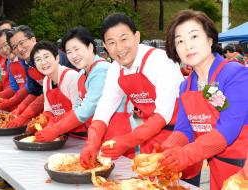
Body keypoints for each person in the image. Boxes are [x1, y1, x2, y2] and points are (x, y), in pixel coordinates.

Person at [159, 10, 248, 189]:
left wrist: (185, 155)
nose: (188, 46)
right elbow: (185, 129)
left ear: (210, 39)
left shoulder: (235, 74)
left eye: (194, 36)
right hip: (216, 166)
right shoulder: (186, 86)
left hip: (243, 170)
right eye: (180, 41)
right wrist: (167, 150)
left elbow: (228, 129)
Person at [80, 12, 183, 164]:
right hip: (148, 135)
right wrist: (92, 142)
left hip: (179, 135)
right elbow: (105, 107)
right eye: (112, 42)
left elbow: (163, 115)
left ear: (137, 37)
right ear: (106, 46)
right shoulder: (115, 68)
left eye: (124, 39)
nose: (119, 47)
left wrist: (127, 141)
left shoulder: (160, 60)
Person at [34, 27, 111, 142]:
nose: (74, 56)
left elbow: (85, 110)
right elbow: (77, 108)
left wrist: (56, 129)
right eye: (69, 52)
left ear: (90, 47)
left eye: (77, 49)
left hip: (116, 135)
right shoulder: (81, 74)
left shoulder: (101, 70)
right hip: (97, 136)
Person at [29, 41, 80, 134]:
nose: (43, 62)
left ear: (57, 58)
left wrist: (54, 125)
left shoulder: (71, 76)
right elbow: (48, 111)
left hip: (81, 134)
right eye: (38, 59)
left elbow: (78, 111)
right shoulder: (46, 81)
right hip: (62, 133)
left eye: (46, 57)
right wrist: (39, 122)